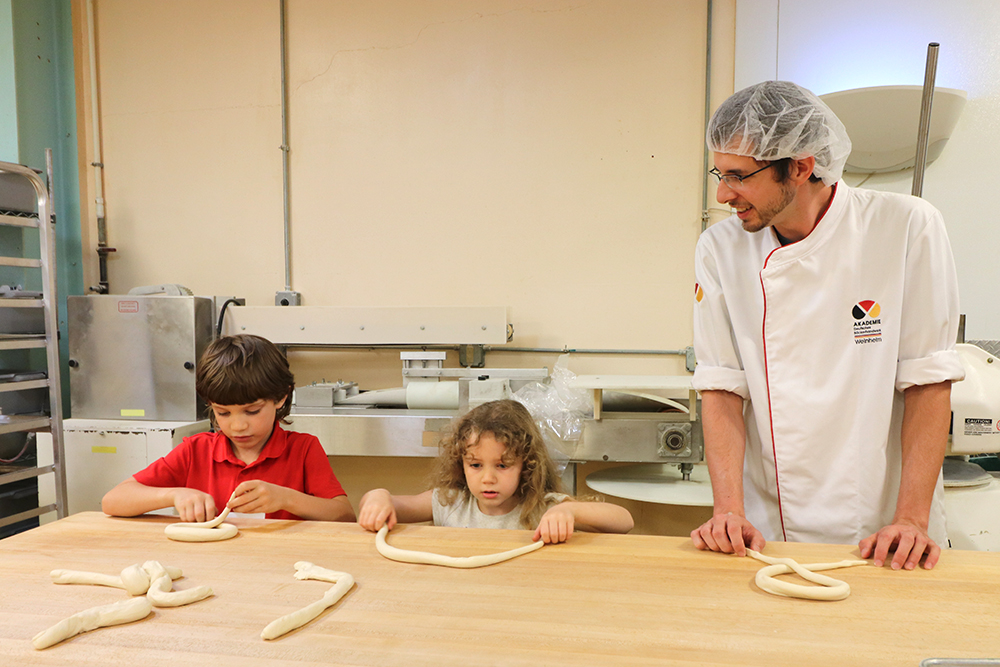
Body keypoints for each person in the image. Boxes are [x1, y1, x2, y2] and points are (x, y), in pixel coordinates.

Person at [690, 80, 964, 571]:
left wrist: (911, 521)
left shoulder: (905, 226)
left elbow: (928, 380)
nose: (722, 193)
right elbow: (722, 388)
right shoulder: (720, 249)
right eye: (719, 172)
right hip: (769, 527)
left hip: (885, 530)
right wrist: (728, 512)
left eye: (738, 176)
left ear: (799, 167)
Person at [102, 334, 355, 522]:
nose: (238, 426)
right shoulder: (195, 450)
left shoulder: (303, 449)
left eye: (252, 411)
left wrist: (287, 499)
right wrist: (174, 495)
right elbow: (113, 501)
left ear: (281, 398)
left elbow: (344, 516)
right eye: (223, 412)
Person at [357, 399, 633, 543]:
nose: (488, 478)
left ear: (527, 465)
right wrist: (379, 496)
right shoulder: (450, 503)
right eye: (475, 465)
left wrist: (569, 511)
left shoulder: (541, 508)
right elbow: (390, 504)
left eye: (502, 465)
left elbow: (624, 521)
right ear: (460, 463)